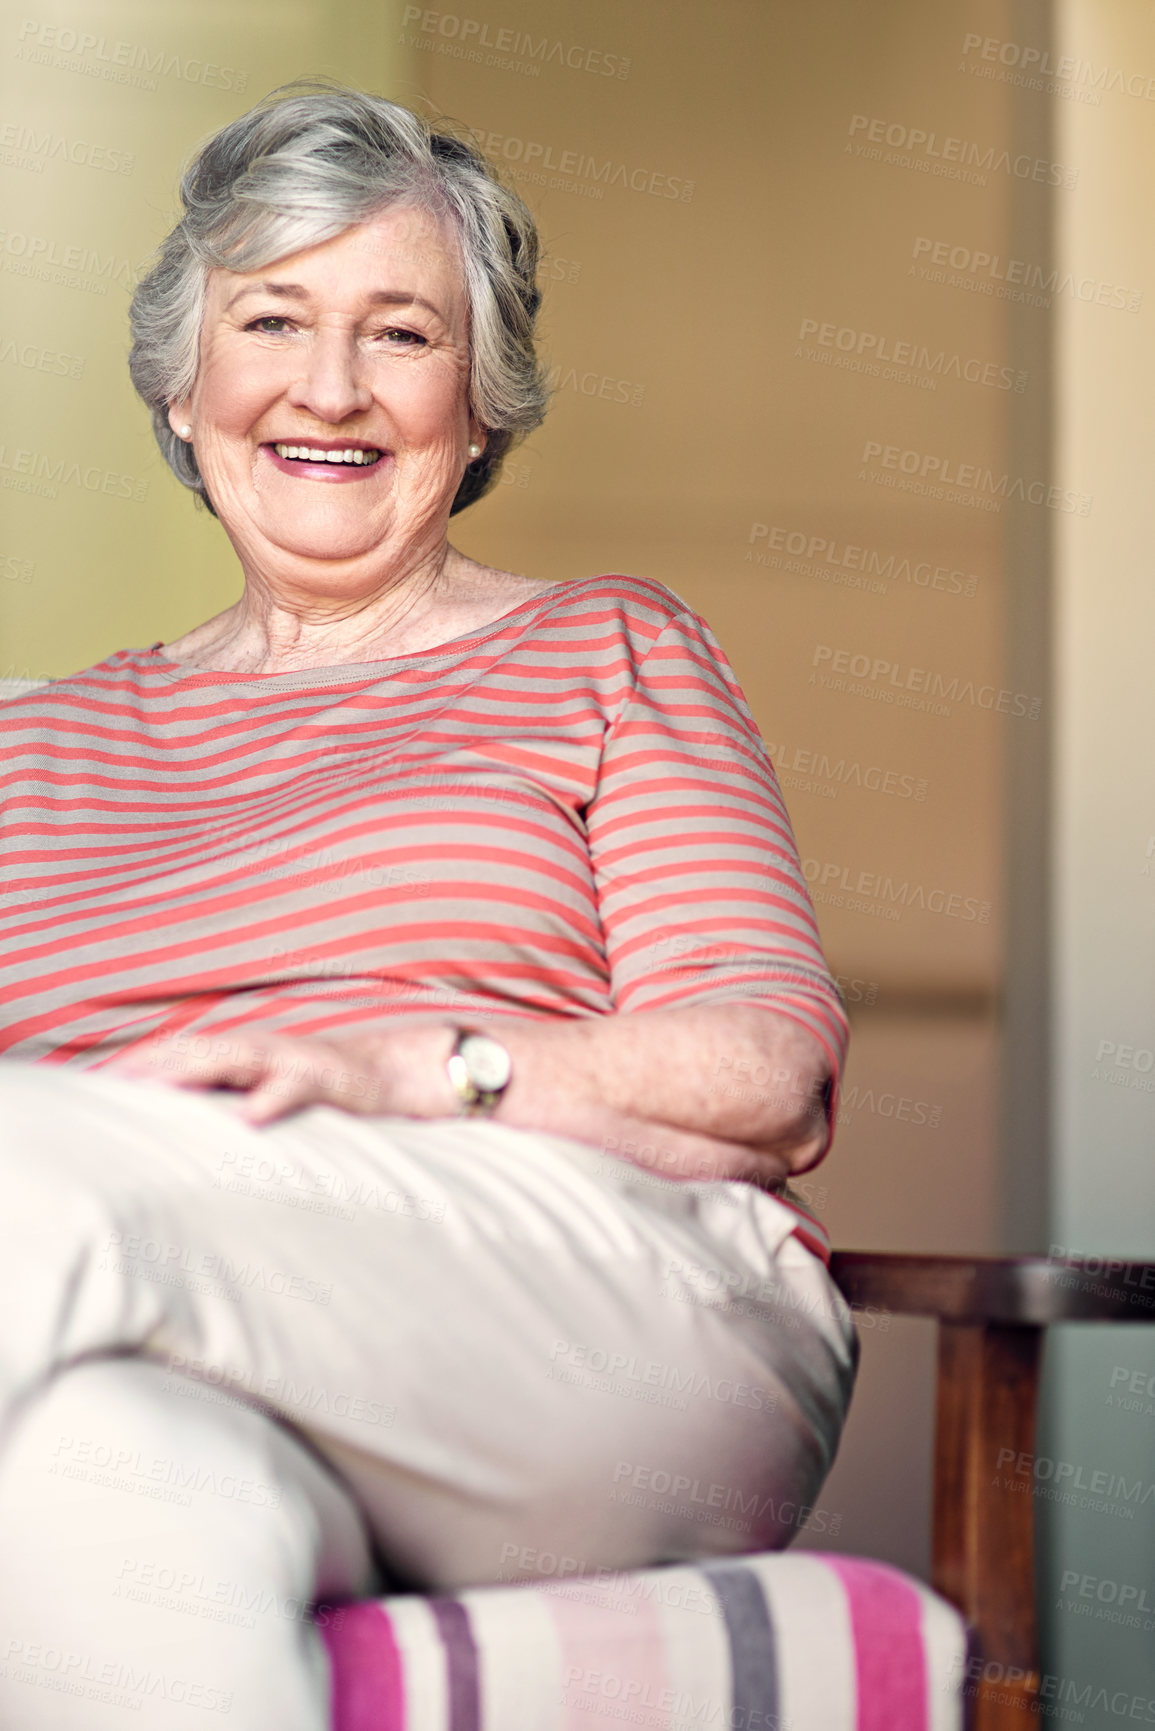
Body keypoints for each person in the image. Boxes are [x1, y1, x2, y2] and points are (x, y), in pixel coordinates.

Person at [0, 82, 856, 1731]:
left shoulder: (600, 648)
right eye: (272, 321)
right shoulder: (28, 744)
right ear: (184, 390)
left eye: (401, 334)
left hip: (590, 1301)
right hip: (175, 1319)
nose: (331, 388)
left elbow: (771, 1077)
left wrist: (408, 1072)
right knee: (96, 1493)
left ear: (479, 410)